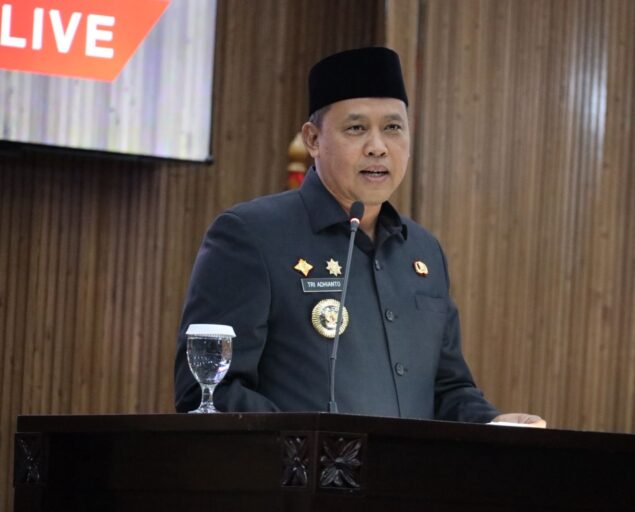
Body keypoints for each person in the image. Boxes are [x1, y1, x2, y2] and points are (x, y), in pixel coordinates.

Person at [174, 47, 545, 427]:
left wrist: (494, 424)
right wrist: (315, 443)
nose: (378, 147)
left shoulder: (423, 251)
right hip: (295, 466)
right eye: (356, 128)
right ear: (313, 139)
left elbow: (447, 389)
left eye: (393, 128)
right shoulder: (252, 235)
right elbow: (207, 392)